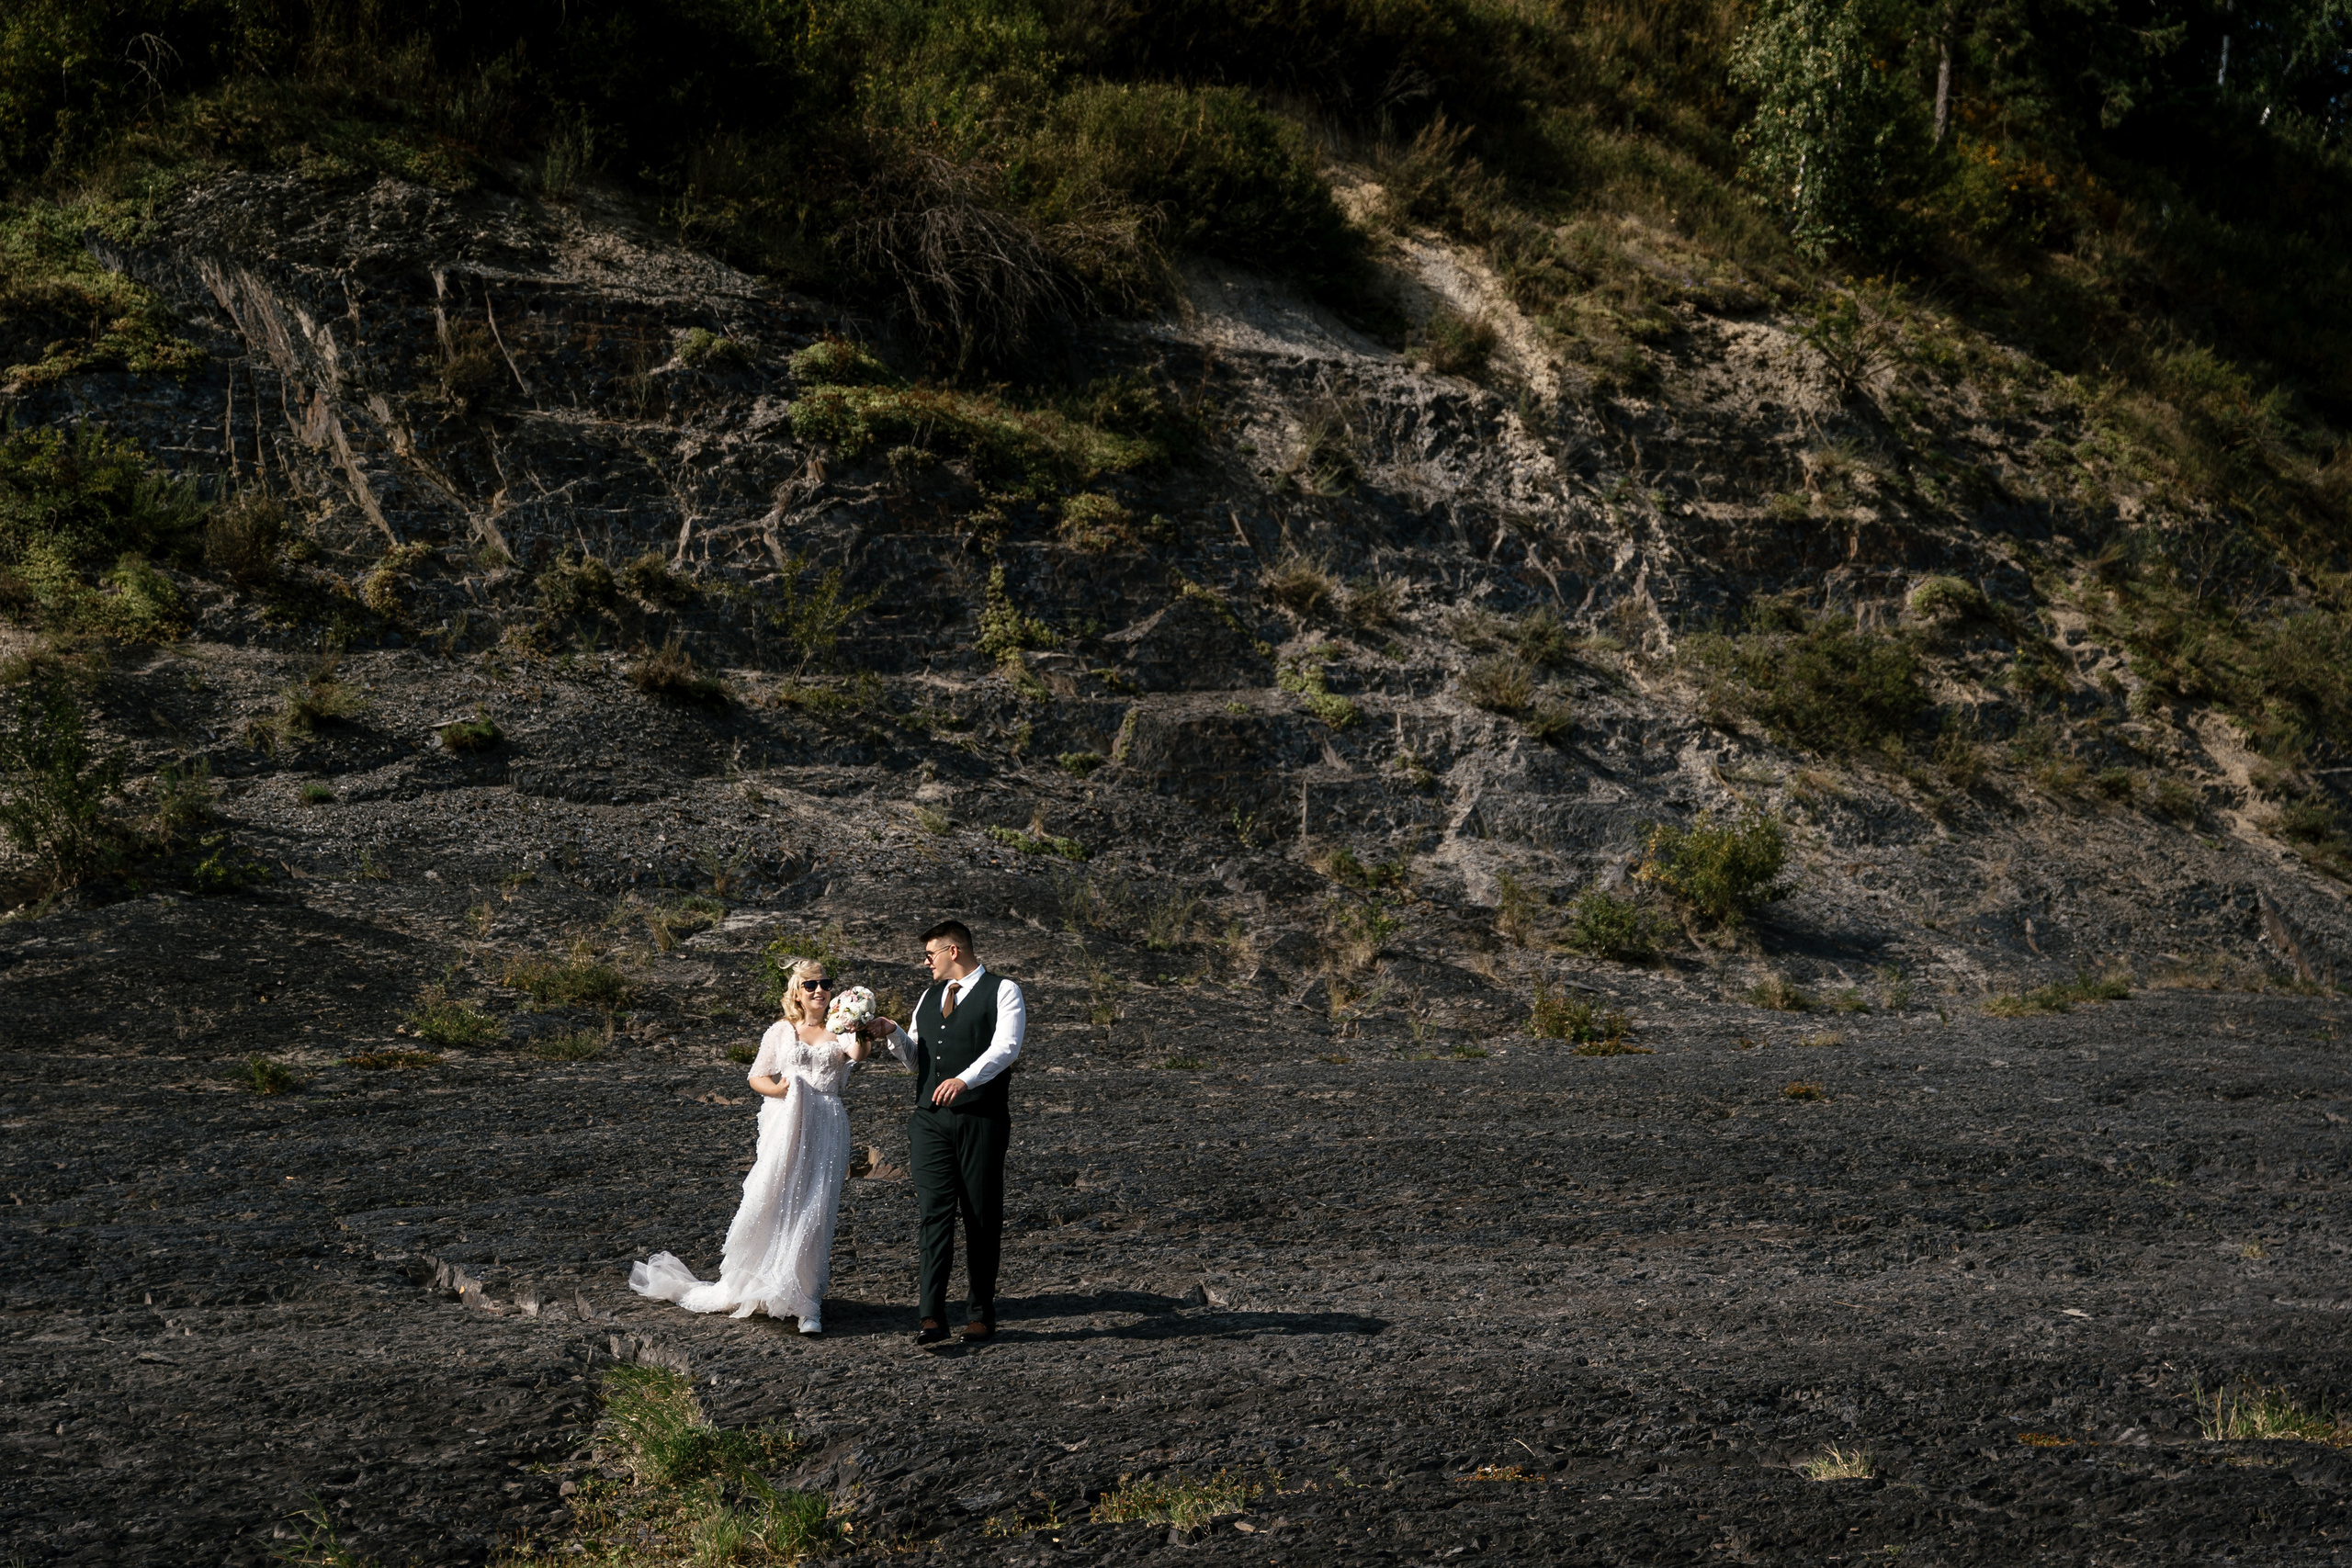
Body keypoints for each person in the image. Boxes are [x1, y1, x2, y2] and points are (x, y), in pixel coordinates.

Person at [628, 959, 867, 1335]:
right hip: (788, 1122)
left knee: (815, 1208)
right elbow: (757, 1077)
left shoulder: (841, 1030)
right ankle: (761, 1284)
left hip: (826, 1122)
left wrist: (861, 1024)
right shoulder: (781, 1031)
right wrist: (781, 1090)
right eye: (811, 985)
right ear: (797, 993)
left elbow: (859, 1055)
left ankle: (807, 1303)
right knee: (774, 1200)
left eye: (825, 983)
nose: (820, 990)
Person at [857, 919, 1024, 1344]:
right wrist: (894, 1033)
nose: (925, 962)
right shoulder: (929, 996)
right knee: (934, 1213)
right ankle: (931, 1316)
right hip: (929, 1120)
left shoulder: (1003, 990)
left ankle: (981, 1314)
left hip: (981, 1118)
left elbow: (1006, 1048)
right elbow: (918, 1061)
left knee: (981, 1216)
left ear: (954, 951)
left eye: (929, 954)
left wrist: (965, 1080)